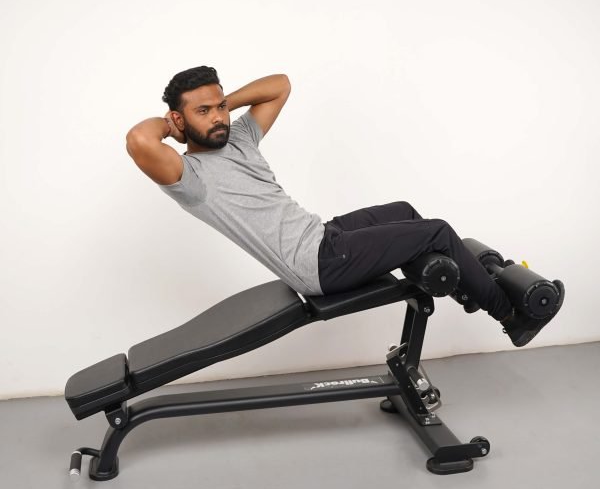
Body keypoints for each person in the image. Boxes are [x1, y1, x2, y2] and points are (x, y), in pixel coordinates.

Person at [126, 66, 564, 348]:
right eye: (203, 112)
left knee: (405, 209)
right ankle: (511, 316)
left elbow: (280, 85)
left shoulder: (239, 137)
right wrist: (173, 126)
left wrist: (223, 104)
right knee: (437, 231)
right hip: (315, 265)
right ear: (180, 120)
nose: (218, 117)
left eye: (220, 107)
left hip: (322, 236)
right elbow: (138, 139)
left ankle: (470, 286)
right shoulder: (191, 178)